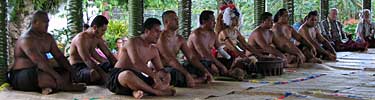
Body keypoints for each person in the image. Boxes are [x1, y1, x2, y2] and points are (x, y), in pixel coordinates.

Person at [8, 11, 86, 94]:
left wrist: (72, 71)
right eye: (45, 22)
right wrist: (56, 77)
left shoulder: (48, 38)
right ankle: (64, 86)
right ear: (35, 22)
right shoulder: (26, 39)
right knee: (46, 77)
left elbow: (59, 57)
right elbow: (39, 62)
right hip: (22, 74)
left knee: (66, 72)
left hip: (42, 71)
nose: (47, 25)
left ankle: (50, 86)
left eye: (48, 22)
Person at [106, 18, 175, 99]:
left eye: (160, 32)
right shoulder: (132, 42)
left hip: (137, 78)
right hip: (118, 77)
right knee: (127, 75)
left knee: (167, 75)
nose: (159, 35)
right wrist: (154, 76)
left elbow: (160, 69)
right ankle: (155, 92)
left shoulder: (154, 50)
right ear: (146, 31)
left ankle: (135, 91)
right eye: (156, 31)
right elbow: (136, 62)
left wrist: (165, 76)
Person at [156, 11, 213, 87]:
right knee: (173, 73)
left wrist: (205, 70)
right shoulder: (161, 38)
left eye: (177, 19)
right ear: (166, 22)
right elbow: (170, 60)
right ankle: (197, 80)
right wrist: (187, 74)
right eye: (174, 19)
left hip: (176, 66)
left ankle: (194, 78)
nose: (177, 21)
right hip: (163, 68)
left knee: (204, 64)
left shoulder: (180, 39)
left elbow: (191, 57)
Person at [69, 15, 117, 85]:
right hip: (78, 68)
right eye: (102, 30)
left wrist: (118, 67)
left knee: (112, 67)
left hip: (88, 66)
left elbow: (109, 54)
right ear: (95, 27)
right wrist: (105, 76)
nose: (103, 33)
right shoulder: (81, 39)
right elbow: (87, 60)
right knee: (94, 73)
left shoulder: (97, 38)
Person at [217, 3, 262, 68]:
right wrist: (244, 57)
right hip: (224, 58)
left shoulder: (236, 31)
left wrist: (259, 54)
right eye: (235, 19)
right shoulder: (223, 32)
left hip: (233, 55)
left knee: (253, 59)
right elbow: (232, 47)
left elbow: (246, 45)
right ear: (229, 20)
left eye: (238, 18)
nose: (237, 20)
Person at [187, 10, 230, 76]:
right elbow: (204, 54)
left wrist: (229, 58)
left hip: (208, 61)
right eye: (212, 20)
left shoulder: (213, 34)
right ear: (204, 21)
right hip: (196, 63)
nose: (215, 23)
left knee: (235, 63)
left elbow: (220, 50)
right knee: (214, 69)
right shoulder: (196, 35)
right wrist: (221, 66)